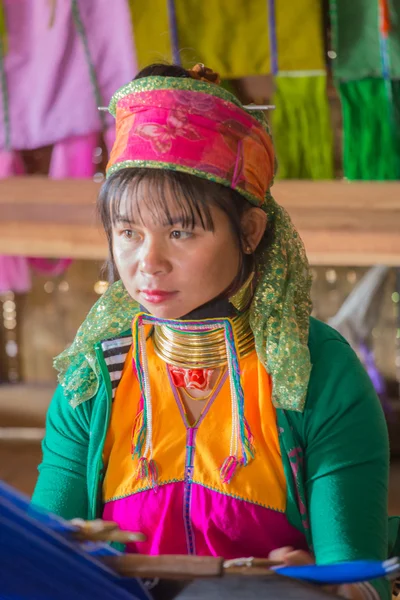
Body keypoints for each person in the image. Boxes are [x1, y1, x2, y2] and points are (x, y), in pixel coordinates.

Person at [32, 63, 399, 599]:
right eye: (128, 232)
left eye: (180, 231)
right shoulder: (95, 377)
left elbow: (356, 574)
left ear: (249, 231)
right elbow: (47, 554)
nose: (148, 262)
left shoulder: (315, 373)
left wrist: (330, 590)